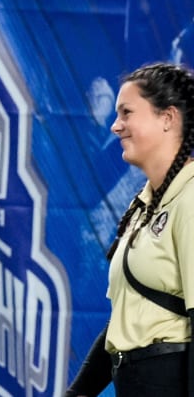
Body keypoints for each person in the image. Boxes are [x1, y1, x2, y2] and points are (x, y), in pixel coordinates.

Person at [66, 62, 194, 396]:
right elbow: (127, 320)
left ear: (167, 119)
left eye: (126, 113)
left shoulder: (191, 198)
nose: (114, 126)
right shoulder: (144, 203)